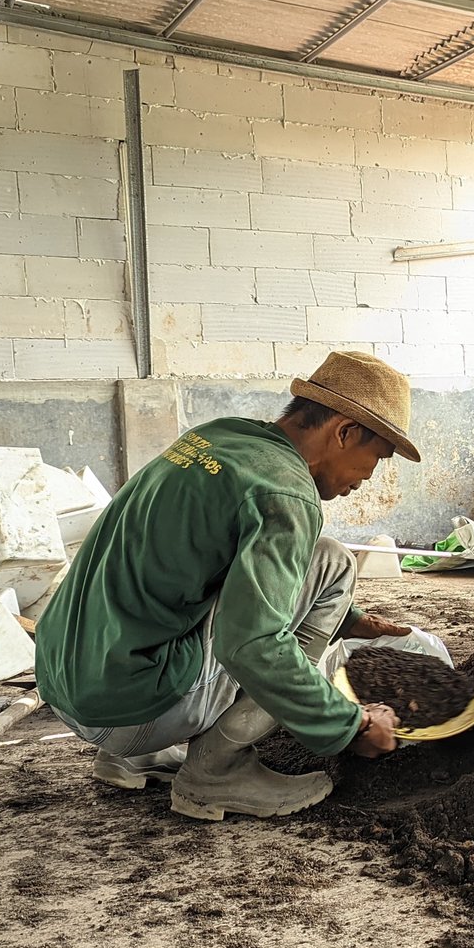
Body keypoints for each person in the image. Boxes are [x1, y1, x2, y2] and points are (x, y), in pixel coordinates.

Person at [34, 351, 417, 821]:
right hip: (128, 709)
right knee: (333, 562)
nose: (367, 478)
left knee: (304, 575)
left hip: (68, 683)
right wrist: (351, 726)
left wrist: (347, 619)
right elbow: (253, 644)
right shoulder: (286, 491)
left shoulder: (215, 440)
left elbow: (185, 562)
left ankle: (129, 758)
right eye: (375, 458)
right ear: (343, 432)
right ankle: (217, 772)